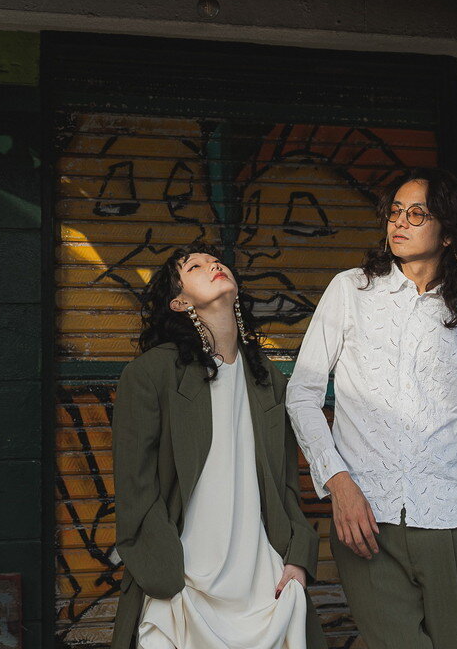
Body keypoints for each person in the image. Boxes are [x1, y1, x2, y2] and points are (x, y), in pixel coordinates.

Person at [286, 167, 457, 649]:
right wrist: (339, 485)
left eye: (417, 214)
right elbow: (301, 394)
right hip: (364, 524)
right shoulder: (350, 291)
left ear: (448, 233)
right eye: (395, 212)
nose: (399, 222)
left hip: (450, 526)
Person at [110, 247, 326, 649]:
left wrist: (297, 558)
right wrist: (165, 575)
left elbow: (285, 484)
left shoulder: (268, 380)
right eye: (195, 266)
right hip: (181, 588)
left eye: (215, 261)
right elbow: (135, 490)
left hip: (264, 589)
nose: (213, 265)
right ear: (180, 302)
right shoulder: (150, 374)